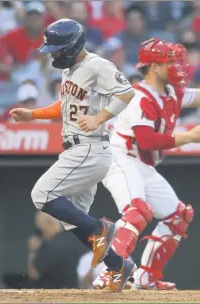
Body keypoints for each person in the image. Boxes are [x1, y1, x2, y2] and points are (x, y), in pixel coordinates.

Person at [93, 30, 200, 290]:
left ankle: (145, 279)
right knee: (136, 212)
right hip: (119, 158)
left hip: (141, 164)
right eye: (171, 62)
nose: (179, 66)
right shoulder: (139, 97)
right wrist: (189, 137)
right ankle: (109, 273)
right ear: (154, 67)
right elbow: (147, 141)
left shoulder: (172, 92)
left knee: (177, 216)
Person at [9, 18, 135, 293]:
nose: (53, 54)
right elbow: (66, 104)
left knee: (41, 194)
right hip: (80, 148)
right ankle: (118, 266)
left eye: (57, 48)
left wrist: (101, 116)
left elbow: (127, 92)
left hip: (89, 146)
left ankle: (101, 228)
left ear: (74, 45)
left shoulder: (98, 65)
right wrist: (35, 114)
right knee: (71, 219)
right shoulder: (69, 70)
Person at [27, 212, 85, 289]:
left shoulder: (49, 246)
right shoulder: (75, 240)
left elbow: (34, 274)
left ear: (47, 225)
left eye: (40, 228)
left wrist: (33, 250)